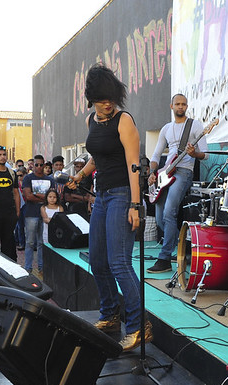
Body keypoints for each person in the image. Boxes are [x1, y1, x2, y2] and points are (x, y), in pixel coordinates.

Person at [68, 64, 151, 352]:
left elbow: (133, 165)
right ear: (91, 98)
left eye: (111, 98)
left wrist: (134, 204)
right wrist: (80, 175)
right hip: (101, 195)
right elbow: (97, 157)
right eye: (102, 99)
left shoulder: (124, 120)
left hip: (122, 194)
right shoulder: (92, 121)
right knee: (97, 260)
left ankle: (139, 326)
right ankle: (109, 316)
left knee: (119, 262)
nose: (107, 103)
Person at [147, 94, 208, 274]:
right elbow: (156, 154)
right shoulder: (166, 128)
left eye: (183, 104)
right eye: (177, 104)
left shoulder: (195, 125)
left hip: (184, 172)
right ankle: (177, 248)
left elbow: (205, 153)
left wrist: (194, 153)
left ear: (186, 106)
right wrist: (152, 172)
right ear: (171, 106)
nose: (181, 107)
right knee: (159, 218)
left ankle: (164, 257)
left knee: (169, 212)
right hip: (165, 172)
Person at [22, 155, 54, 273]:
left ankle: (41, 267)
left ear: (44, 165)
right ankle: (28, 268)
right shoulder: (27, 178)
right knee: (30, 242)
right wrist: (45, 197)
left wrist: (37, 195)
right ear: (33, 165)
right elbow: (28, 196)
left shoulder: (50, 180)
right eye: (36, 164)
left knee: (42, 243)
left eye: (41, 165)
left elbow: (53, 197)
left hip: (45, 215)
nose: (39, 167)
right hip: (31, 214)